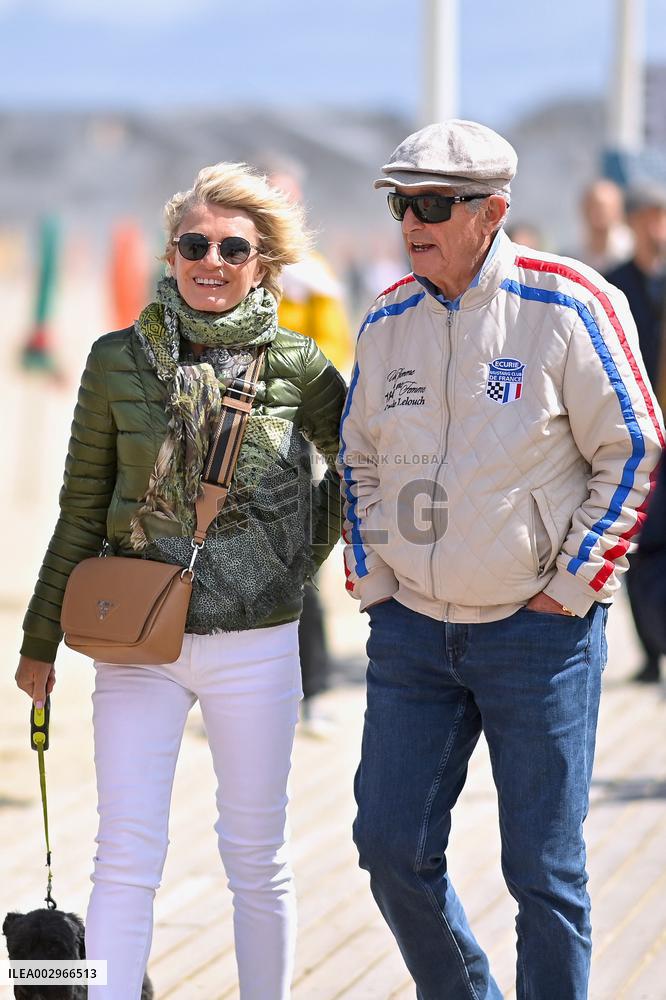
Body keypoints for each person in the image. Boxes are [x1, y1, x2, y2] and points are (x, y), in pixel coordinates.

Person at [338, 120, 664, 1000]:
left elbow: (633, 447)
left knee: (544, 876)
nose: (414, 221)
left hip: (540, 638)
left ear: (493, 211)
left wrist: (576, 586)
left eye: (435, 204)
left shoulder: (572, 303)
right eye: (403, 202)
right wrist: (375, 581)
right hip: (412, 637)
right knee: (389, 846)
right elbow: (357, 456)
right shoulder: (388, 317)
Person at [15, 162, 346, 1000]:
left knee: (256, 857)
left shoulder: (301, 367)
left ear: (263, 261)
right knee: (124, 854)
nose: (211, 260)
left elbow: (361, 468)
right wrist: (39, 640)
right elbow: (80, 508)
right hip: (134, 643)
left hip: (256, 645)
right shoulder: (114, 361)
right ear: (171, 250)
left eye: (232, 247)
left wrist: (296, 558)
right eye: (193, 243)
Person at [267, 157, 354, 731]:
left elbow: (333, 354)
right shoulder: (229, 263)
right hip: (226, 438)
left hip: (295, 436)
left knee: (301, 565)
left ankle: (313, 687)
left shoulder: (314, 277)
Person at [606, 181, 666, 682]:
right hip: (634, 436)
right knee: (639, 546)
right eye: (650, 215)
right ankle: (652, 650)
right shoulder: (614, 285)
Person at [576, 177, 633, 272]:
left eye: (605, 208)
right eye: (593, 206)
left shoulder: (632, 252)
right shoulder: (575, 256)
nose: (599, 213)